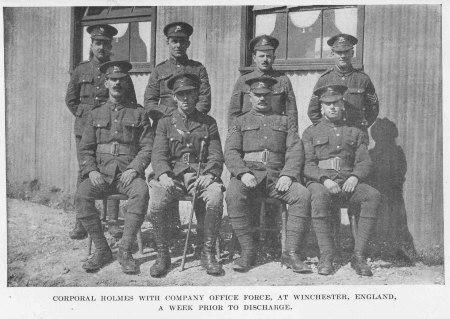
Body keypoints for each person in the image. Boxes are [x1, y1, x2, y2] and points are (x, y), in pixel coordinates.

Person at [225, 77, 311, 273]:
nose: (262, 99)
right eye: (257, 95)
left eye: (266, 95)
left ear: (272, 96)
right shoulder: (240, 121)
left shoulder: (285, 121)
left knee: (302, 195)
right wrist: (242, 173)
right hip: (249, 176)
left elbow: (295, 151)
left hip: (276, 177)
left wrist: (288, 175)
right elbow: (230, 152)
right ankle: (248, 251)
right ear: (250, 97)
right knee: (233, 194)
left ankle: (290, 253)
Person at [74, 61, 153, 274]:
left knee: (141, 191)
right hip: (101, 173)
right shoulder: (95, 113)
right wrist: (91, 171)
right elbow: (86, 149)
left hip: (127, 173)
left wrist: (134, 169)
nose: (117, 84)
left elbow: (147, 147)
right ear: (106, 83)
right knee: (82, 195)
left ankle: (125, 251)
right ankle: (102, 249)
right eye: (113, 80)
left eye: (121, 80)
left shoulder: (138, 113)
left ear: (126, 83)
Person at [65, 24, 137, 240]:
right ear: (92, 44)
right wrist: (87, 117)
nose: (101, 47)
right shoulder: (81, 70)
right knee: (86, 171)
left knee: (113, 168)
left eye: (105, 43)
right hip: (87, 131)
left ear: (111, 46)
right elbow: (71, 99)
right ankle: (81, 222)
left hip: (111, 131)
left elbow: (131, 101)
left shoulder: (118, 73)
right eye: (98, 43)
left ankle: (113, 222)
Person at [149, 73, 224, 277]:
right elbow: (159, 154)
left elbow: (216, 154)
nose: (185, 99)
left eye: (189, 94)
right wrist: (163, 174)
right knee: (155, 204)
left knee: (215, 197)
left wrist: (210, 174)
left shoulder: (208, 122)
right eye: (180, 94)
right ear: (174, 97)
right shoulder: (165, 123)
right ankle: (162, 255)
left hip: (200, 175)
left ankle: (206, 253)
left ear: (196, 95)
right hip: (172, 175)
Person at [302, 84, 381, 276]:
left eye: (336, 103)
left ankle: (359, 256)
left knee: (372, 195)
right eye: (327, 104)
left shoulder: (356, 131)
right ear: (321, 107)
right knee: (318, 196)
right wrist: (324, 179)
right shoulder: (311, 132)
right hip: (323, 183)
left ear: (342, 105)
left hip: (348, 182)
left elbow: (364, 162)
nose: (332, 107)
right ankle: (327, 255)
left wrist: (355, 177)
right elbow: (307, 164)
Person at [143, 21, 212, 239]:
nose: (178, 45)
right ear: (168, 43)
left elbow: (204, 101)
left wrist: (190, 117)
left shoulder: (198, 69)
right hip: (166, 130)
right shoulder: (159, 71)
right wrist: (171, 117)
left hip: (194, 129)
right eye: (174, 41)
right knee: (168, 174)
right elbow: (149, 103)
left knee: (194, 172)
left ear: (188, 42)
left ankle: (202, 234)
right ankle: (170, 231)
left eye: (182, 41)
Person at [308, 34, 379, 131]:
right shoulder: (324, 80)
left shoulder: (363, 79)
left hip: (356, 134)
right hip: (332, 137)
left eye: (346, 52)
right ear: (332, 53)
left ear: (352, 53)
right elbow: (313, 111)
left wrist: (362, 127)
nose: (343, 56)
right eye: (339, 52)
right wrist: (325, 129)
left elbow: (373, 109)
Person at [228, 34, 298, 130]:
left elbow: (291, 112)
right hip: (249, 132)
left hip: (275, 132)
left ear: (274, 58)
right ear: (254, 58)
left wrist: (291, 135)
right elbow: (234, 112)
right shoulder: (243, 80)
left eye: (268, 56)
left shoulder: (282, 80)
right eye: (261, 56)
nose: (265, 60)